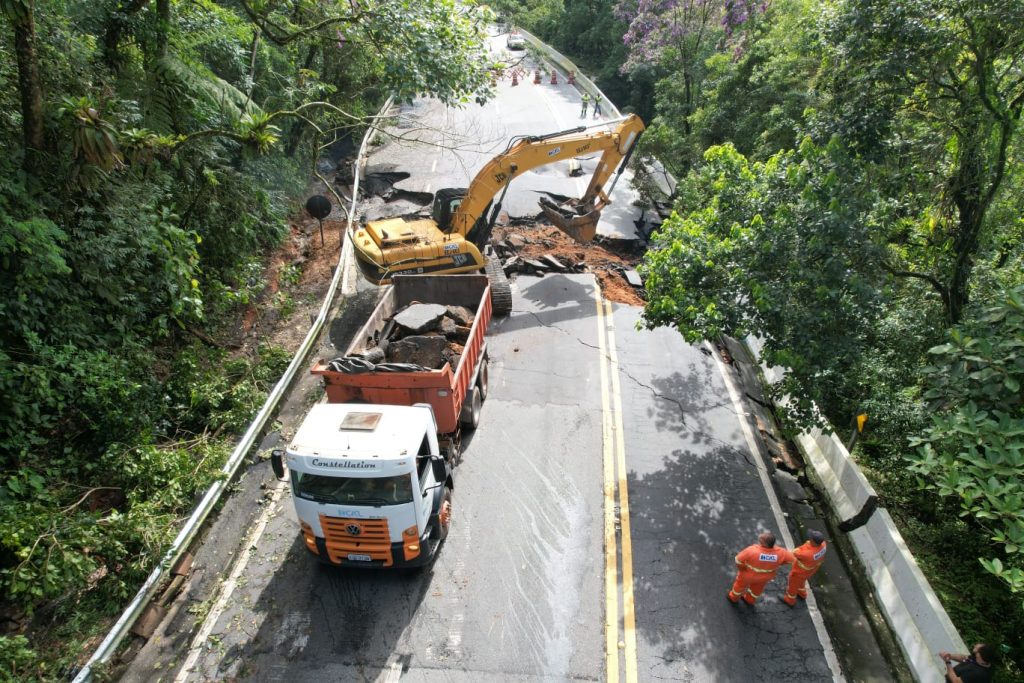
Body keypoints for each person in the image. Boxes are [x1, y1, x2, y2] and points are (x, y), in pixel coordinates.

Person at [728, 531, 794, 605]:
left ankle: (733, 597)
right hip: (765, 577)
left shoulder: (752, 550)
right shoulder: (781, 552)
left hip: (748, 575)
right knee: (757, 589)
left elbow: (738, 560)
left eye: (760, 540)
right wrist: (780, 563)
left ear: (764, 543)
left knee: (740, 586)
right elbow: (791, 560)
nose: (759, 540)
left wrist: (742, 569)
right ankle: (749, 600)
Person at [782, 530, 827, 606]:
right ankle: (802, 593)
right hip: (811, 569)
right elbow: (808, 546)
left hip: (799, 572)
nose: (809, 539)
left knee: (793, 584)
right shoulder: (823, 544)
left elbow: (793, 554)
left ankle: (790, 600)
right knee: (801, 581)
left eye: (811, 539)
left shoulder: (805, 554)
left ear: (814, 542)